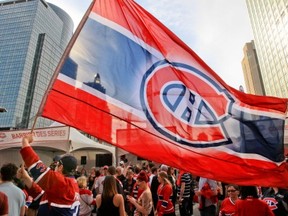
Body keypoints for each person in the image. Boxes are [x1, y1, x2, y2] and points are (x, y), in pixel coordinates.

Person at [18, 134, 80, 215]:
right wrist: (26, 178)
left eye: (57, 165)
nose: (55, 167)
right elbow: (42, 195)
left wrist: (25, 141)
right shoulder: (70, 185)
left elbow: (37, 167)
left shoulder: (64, 183)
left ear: (61, 167)